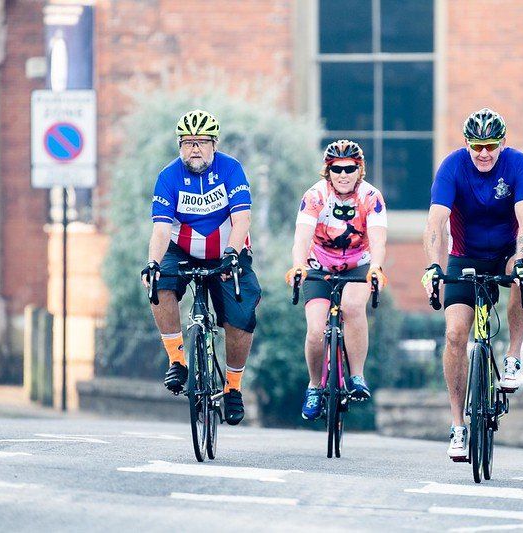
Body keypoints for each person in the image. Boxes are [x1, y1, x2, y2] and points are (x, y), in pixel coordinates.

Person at [421, 108, 523, 460]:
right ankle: (458, 425)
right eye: (477, 146)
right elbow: (436, 223)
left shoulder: (518, 165)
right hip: (465, 256)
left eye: (490, 145)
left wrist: (521, 259)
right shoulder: (452, 167)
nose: (484, 153)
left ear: (502, 143)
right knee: (456, 334)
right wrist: (433, 267)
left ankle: (513, 356)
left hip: (506, 251)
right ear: (467, 144)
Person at [140, 109, 261, 426]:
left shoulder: (231, 169)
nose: (195, 148)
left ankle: (232, 388)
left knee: (241, 314)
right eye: (188, 142)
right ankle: (178, 359)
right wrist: (152, 262)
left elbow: (242, 219)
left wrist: (232, 253)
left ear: (214, 145)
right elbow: (162, 229)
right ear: (180, 146)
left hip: (227, 249)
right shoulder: (168, 177)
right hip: (182, 248)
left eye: (202, 142)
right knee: (158, 282)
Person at [285, 140, 388, 421]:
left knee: (353, 308)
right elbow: (301, 237)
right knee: (316, 331)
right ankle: (314, 386)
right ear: (327, 171)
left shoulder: (371, 197)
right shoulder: (315, 196)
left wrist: (376, 267)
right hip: (319, 265)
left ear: (359, 170)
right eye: (336, 169)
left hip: (358, 264)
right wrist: (297, 265)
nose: (343, 174)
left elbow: (378, 239)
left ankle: (356, 376)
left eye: (349, 168)